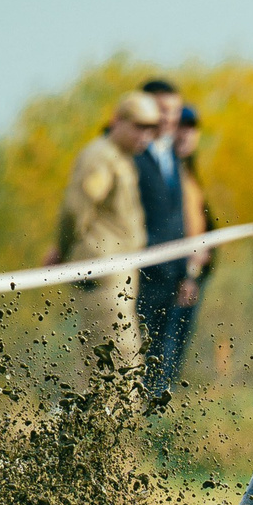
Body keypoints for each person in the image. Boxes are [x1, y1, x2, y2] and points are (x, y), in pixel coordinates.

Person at [51, 91, 162, 381]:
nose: (145, 135)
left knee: (109, 366)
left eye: (151, 128)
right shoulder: (100, 157)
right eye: (139, 126)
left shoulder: (121, 159)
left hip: (120, 274)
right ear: (117, 121)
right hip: (104, 276)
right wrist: (60, 250)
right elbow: (76, 209)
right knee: (118, 366)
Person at [149, 104, 216, 388]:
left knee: (170, 360)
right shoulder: (165, 175)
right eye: (181, 128)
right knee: (158, 359)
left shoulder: (187, 175)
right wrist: (186, 275)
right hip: (168, 279)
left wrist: (196, 274)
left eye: (192, 129)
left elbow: (200, 227)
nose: (186, 135)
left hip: (187, 278)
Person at [133, 76, 192, 397]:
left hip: (172, 278)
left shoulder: (173, 156)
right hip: (139, 277)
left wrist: (187, 273)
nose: (170, 117)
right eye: (162, 109)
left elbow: (177, 220)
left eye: (175, 110)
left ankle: (154, 427)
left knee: (164, 364)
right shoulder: (130, 156)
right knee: (131, 360)